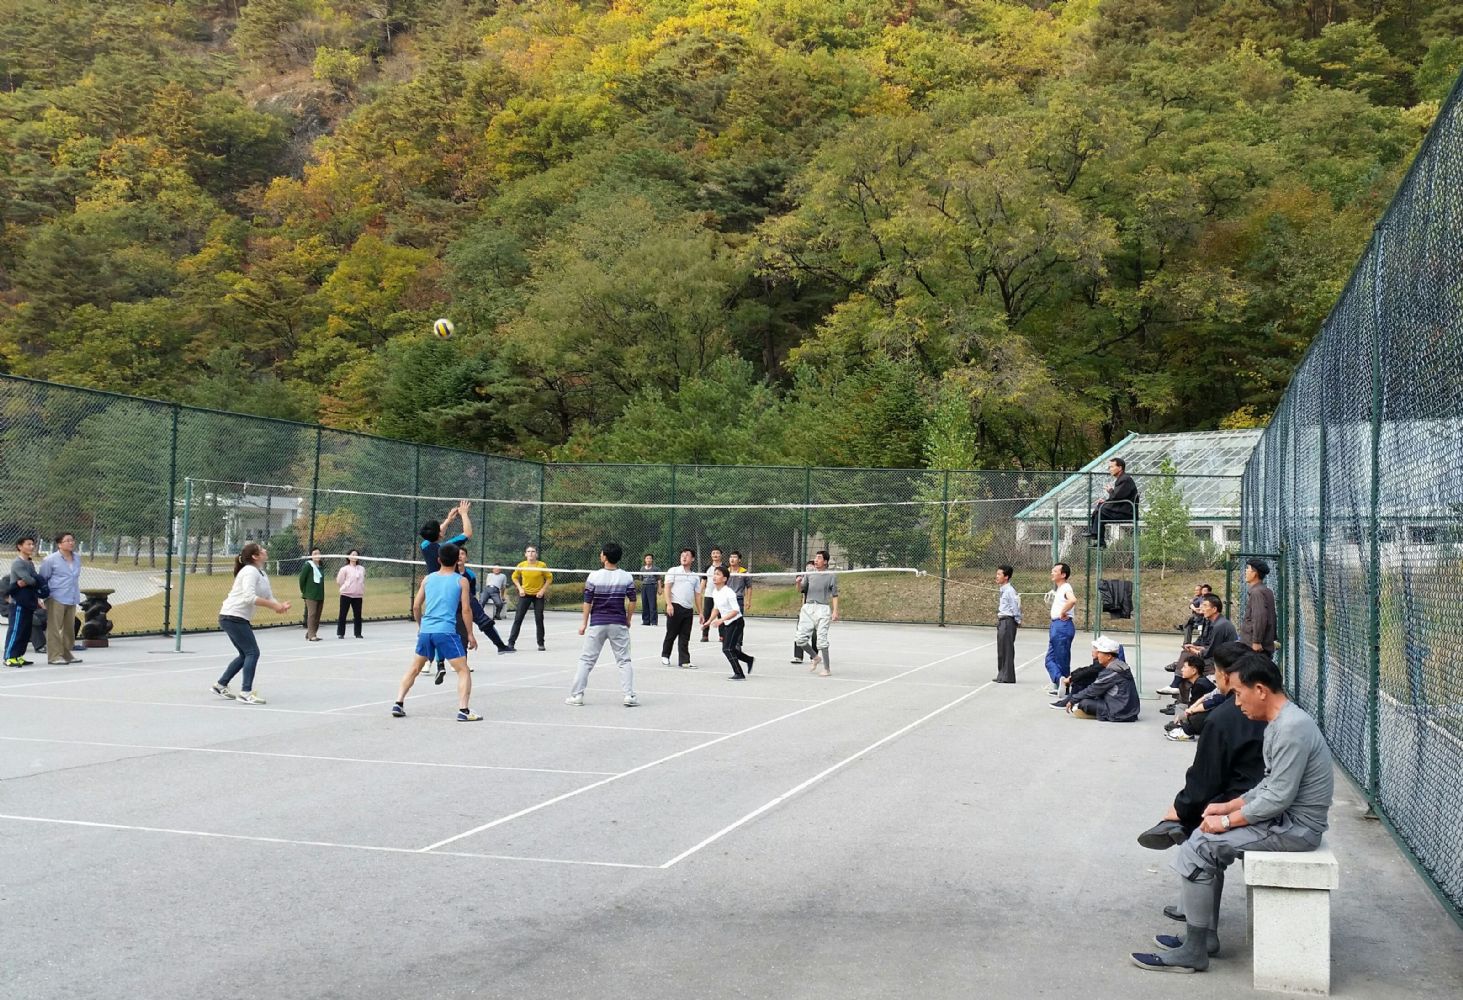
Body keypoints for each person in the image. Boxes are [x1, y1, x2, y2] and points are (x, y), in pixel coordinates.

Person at [1131, 655, 1333, 974]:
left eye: (1239, 693)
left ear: (1260, 690)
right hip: (1285, 821)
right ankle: (1204, 939)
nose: (1236, 702)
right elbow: (1268, 785)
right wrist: (1228, 806)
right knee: (1203, 835)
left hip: (1296, 829)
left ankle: (1195, 951)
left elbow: (1277, 798)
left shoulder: (1291, 728)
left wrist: (1225, 821)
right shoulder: (1282, 721)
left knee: (1201, 846)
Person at [1139, 644, 1266, 851]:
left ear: (1225, 676)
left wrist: (1181, 806)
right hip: (1262, 783)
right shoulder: (1269, 705)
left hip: (1252, 794)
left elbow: (1206, 775)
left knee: (1203, 813)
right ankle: (1180, 824)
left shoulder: (1224, 718)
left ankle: (1181, 824)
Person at [392, 543, 481, 721]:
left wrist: (421, 626)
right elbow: (466, 610)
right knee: (463, 670)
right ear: (457, 560)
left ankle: (398, 703)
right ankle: (463, 711)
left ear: (439, 560)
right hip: (446, 631)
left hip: (427, 631)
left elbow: (416, 606)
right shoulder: (461, 581)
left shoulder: (428, 579)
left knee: (415, 668)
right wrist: (470, 634)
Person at [212, 543, 291, 704]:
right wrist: (274, 606)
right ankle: (246, 693)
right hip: (232, 616)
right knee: (252, 653)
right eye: (261, 550)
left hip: (237, 618)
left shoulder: (261, 573)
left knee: (245, 654)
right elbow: (249, 597)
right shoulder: (249, 571)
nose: (265, 550)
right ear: (255, 556)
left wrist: (279, 606)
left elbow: (268, 596)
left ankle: (220, 685)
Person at [566, 542, 639, 707]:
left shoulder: (594, 576)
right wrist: (628, 619)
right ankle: (629, 695)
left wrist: (584, 623)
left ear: (605, 557)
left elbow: (587, 601)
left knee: (586, 660)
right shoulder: (626, 577)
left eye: (601, 553)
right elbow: (633, 600)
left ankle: (577, 696)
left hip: (597, 622)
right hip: (618, 623)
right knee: (624, 660)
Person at [453, 547, 512, 664]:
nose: (459, 556)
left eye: (462, 554)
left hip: (469, 602)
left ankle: (500, 646)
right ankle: (458, 663)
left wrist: (469, 603)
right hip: (454, 605)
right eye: (457, 554)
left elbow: (472, 591)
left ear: (466, 558)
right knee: (462, 634)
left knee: (486, 622)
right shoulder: (449, 573)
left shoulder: (470, 574)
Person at [1061, 636, 1139, 721]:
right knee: (1090, 697)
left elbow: (1092, 690)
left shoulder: (1111, 672)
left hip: (1119, 712)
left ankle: (1102, 714)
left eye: (1100, 653)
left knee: (1084, 703)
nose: (1097, 655)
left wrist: (1073, 699)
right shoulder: (1121, 665)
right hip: (1131, 711)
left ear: (1109, 656)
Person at [38, 531, 83, 665]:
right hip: (55, 597)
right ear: (59, 544)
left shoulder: (77, 558)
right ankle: (54, 656)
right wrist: (41, 597)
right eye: (67, 541)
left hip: (72, 596)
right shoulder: (50, 560)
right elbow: (43, 578)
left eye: (72, 540)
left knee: (69, 628)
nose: (71, 543)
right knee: (54, 628)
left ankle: (66, 653)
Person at [705, 565, 755, 680]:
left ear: (724, 579)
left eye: (718, 574)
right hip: (728, 623)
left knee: (727, 649)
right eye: (714, 574)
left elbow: (736, 610)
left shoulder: (729, 592)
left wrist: (721, 620)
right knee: (729, 649)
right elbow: (716, 608)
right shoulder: (715, 592)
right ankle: (748, 659)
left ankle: (739, 674)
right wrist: (709, 621)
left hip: (736, 622)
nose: (714, 576)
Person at [795, 550, 839, 676]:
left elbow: (835, 595)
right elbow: (800, 590)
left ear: (825, 561)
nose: (816, 560)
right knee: (800, 640)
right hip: (808, 608)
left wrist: (835, 611)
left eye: (819, 558)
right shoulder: (809, 574)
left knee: (821, 640)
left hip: (822, 609)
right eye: (815, 557)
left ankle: (827, 668)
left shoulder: (831, 576)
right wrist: (798, 582)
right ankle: (815, 657)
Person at [1085, 456, 1139, 548]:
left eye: (1112, 467)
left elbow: (1116, 497)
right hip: (1122, 509)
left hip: (1127, 512)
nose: (1110, 469)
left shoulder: (1125, 479)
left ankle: (1096, 535)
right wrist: (1105, 501)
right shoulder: (1122, 479)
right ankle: (1098, 538)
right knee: (1100, 507)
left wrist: (1110, 490)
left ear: (1120, 468)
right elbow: (1118, 497)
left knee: (1101, 510)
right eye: (1109, 467)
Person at [4, 536, 42, 667]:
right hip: (18, 602)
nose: (31, 547)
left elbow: (34, 580)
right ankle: (9, 657)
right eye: (28, 544)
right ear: (20, 546)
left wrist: (32, 580)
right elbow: (31, 580)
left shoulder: (29, 563)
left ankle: (18, 655)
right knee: (16, 630)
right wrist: (32, 580)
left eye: (32, 544)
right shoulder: (18, 563)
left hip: (28, 601)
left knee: (25, 631)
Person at [508, 545, 552, 651]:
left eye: (533, 551)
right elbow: (514, 577)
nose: (531, 553)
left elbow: (549, 578)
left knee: (539, 619)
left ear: (536, 554)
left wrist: (542, 590)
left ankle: (541, 643)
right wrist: (520, 589)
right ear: (525, 554)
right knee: (518, 618)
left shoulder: (542, 565)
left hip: (538, 596)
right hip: (525, 595)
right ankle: (511, 643)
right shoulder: (521, 565)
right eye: (528, 551)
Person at [661, 548, 699, 668]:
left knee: (685, 636)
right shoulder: (673, 570)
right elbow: (667, 588)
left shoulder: (695, 576)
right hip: (675, 606)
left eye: (687, 555)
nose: (684, 557)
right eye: (682, 555)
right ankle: (665, 655)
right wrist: (669, 604)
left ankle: (684, 661)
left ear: (692, 559)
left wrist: (701, 612)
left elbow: (698, 595)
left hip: (688, 609)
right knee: (671, 633)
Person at [1043, 562, 1077, 696]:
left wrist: (1063, 611)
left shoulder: (1066, 587)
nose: (1052, 573)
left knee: (1062, 659)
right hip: (1056, 625)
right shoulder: (1060, 589)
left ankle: (1064, 686)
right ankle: (1060, 682)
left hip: (1062, 626)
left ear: (1063, 574)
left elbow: (1072, 600)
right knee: (1050, 659)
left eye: (1055, 571)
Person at [1158, 654, 1216, 727]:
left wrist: (1184, 717)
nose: (1182, 670)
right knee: (1180, 706)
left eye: (1185, 667)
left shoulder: (1199, 685)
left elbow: (1194, 707)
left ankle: (1180, 726)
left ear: (1194, 671)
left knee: (1172, 724)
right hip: (1202, 712)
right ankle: (1178, 724)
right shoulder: (1199, 681)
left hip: (1205, 715)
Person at [419, 501, 472, 576]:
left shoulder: (424, 546)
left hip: (432, 581)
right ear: (440, 534)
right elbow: (467, 533)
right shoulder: (446, 548)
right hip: (448, 581)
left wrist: (448, 520)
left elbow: (438, 532)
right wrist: (464, 514)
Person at [1185, 594, 1238, 667]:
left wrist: (1194, 651)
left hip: (1223, 662)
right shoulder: (1218, 622)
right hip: (1219, 657)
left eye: (1205, 606)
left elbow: (1210, 653)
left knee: (1189, 662)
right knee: (1186, 656)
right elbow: (1212, 647)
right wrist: (1196, 647)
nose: (1202, 609)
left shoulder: (1220, 626)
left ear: (1214, 609)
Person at [1239, 559, 1277, 658]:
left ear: (1254, 573)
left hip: (1254, 647)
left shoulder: (1257, 592)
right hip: (1261, 644)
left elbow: (1259, 617)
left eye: (1248, 569)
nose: (1245, 571)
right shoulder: (1266, 590)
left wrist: (1256, 641)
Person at [993, 564, 1020, 683]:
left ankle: (1008, 676)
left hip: (1008, 621)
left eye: (999, 574)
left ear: (1006, 577)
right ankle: (1001, 674)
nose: (997, 576)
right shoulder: (1003, 590)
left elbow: (1015, 607)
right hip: (1002, 621)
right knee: (1001, 649)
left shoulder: (1010, 591)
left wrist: (1017, 620)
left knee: (1007, 649)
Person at [790, 560, 819, 664]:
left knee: (815, 635)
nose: (809, 569)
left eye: (811, 567)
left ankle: (814, 656)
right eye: (807, 568)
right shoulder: (805, 580)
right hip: (805, 610)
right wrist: (798, 582)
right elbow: (800, 590)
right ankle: (798, 656)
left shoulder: (820, 580)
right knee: (800, 633)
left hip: (817, 610)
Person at [335, 549, 365, 639]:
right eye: (352, 554)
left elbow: (362, 580)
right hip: (346, 595)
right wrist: (346, 587)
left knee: (358, 615)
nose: (354, 556)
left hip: (358, 595)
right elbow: (339, 581)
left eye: (356, 555)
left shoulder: (361, 569)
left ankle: (358, 633)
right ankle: (341, 633)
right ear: (348, 557)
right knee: (343, 614)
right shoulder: (344, 569)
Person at [698, 546, 725, 642]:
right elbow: (703, 581)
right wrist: (700, 592)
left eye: (717, 553)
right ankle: (705, 635)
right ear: (711, 555)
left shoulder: (725, 567)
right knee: (707, 614)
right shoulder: (707, 567)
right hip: (709, 594)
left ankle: (722, 636)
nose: (715, 555)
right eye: (713, 553)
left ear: (721, 555)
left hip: (721, 595)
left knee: (721, 614)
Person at [297, 547, 325, 641]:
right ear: (311, 556)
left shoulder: (321, 567)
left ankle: (311, 633)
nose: (317, 555)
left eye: (319, 553)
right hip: (310, 595)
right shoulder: (308, 566)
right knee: (312, 614)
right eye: (315, 553)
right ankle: (312, 635)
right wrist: (305, 591)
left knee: (317, 615)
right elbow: (302, 579)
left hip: (320, 594)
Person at [726, 550, 751, 616]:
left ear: (739, 560)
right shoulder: (725, 571)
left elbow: (749, 587)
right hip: (727, 599)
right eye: (731, 557)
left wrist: (748, 601)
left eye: (734, 557)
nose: (732, 559)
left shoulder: (744, 572)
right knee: (726, 620)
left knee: (738, 620)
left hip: (739, 599)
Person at [640, 553, 661, 626]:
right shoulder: (642, 569)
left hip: (652, 586)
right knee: (644, 604)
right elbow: (641, 579)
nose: (648, 560)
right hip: (644, 587)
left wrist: (659, 588)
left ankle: (654, 621)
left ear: (652, 560)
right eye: (647, 558)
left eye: (650, 558)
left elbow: (658, 579)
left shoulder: (656, 569)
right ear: (645, 560)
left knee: (652, 604)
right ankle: (646, 621)